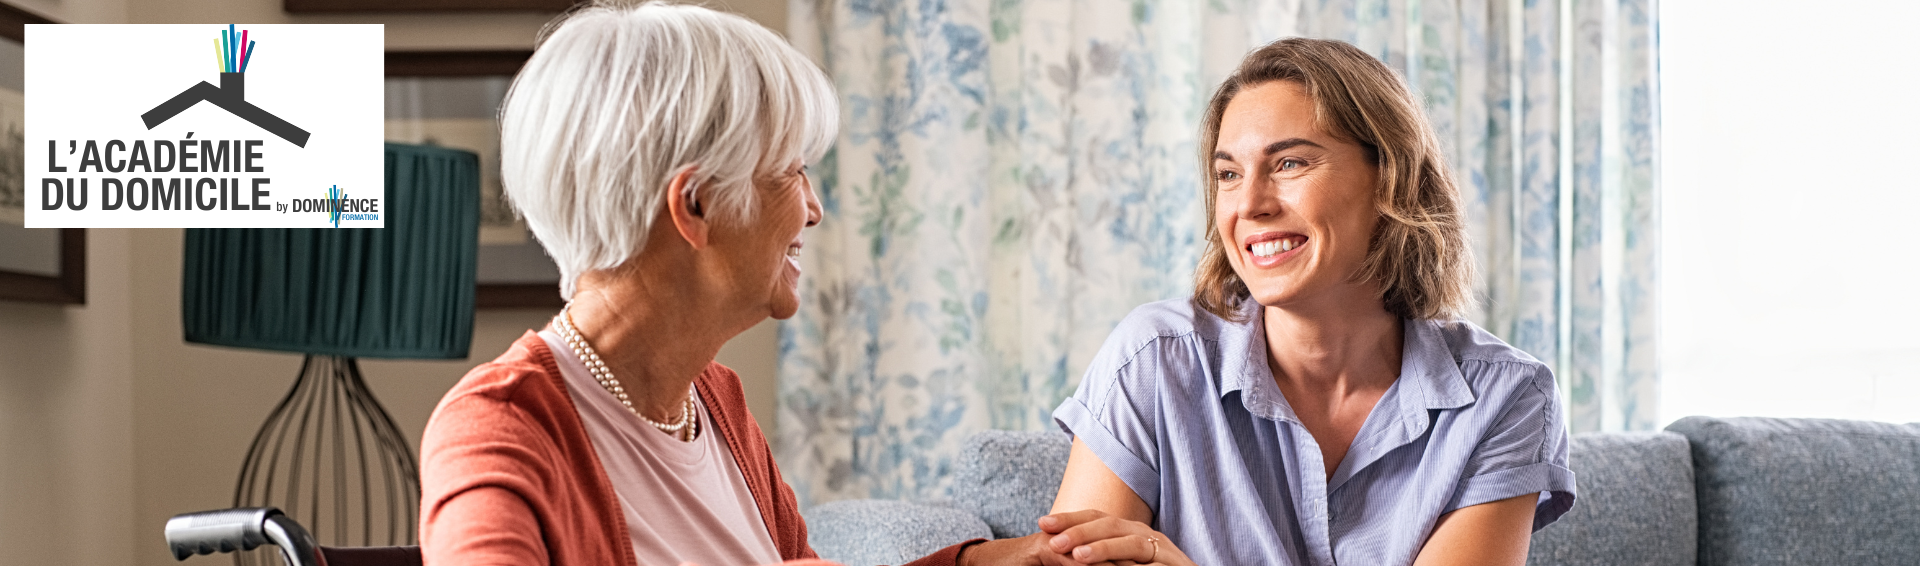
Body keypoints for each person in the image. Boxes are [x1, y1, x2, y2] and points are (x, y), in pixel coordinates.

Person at [418, 3, 1080, 565]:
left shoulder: (713, 401)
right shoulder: (499, 431)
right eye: (792, 172)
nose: (814, 209)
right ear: (697, 204)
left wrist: (990, 558)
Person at [1034, 38, 1576, 566]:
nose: (1249, 205)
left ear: (1392, 178)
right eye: (1228, 174)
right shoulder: (1153, 361)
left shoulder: (1505, 399)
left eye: (1289, 163)